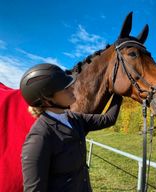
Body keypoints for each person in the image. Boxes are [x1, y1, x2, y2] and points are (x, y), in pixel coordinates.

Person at [20, 63, 123, 192]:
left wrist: (118, 90)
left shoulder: (74, 118)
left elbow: (108, 119)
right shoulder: (40, 137)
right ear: (47, 99)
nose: (72, 89)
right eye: (65, 89)